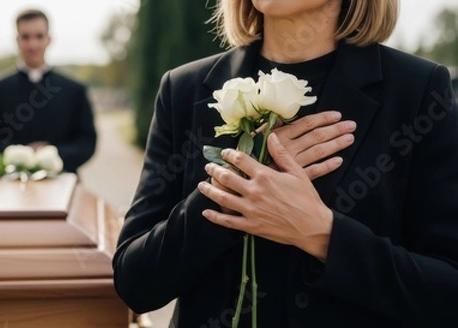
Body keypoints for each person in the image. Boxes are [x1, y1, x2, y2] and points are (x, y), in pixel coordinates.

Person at [113, 0, 458, 327]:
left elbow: (447, 291)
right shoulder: (184, 89)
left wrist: (323, 235)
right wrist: (234, 190)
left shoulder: (418, 91)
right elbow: (135, 282)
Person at [0, 9, 96, 173]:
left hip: (63, 183)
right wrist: (21, 155)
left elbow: (87, 142)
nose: (33, 45)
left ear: (49, 39)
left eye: (39, 36)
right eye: (26, 37)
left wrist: (52, 155)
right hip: (8, 187)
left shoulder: (74, 90)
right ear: (17, 40)